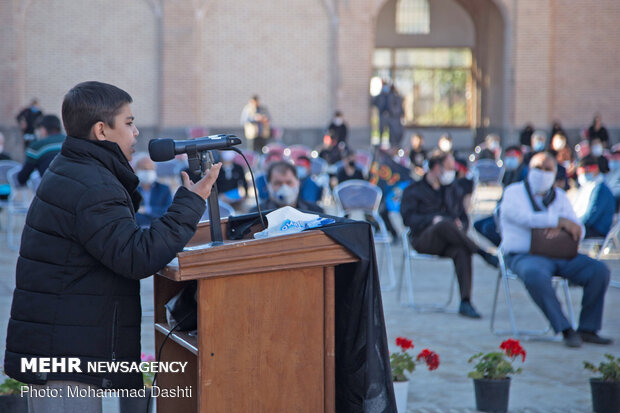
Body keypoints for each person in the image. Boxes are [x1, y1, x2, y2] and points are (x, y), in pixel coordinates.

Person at [3, 81, 222, 412]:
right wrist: (190, 203)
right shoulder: (91, 185)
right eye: (129, 122)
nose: (136, 133)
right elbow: (136, 255)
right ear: (102, 130)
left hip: (66, 345)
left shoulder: (81, 170)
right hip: (64, 354)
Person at [499, 152, 612, 348]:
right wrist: (557, 222)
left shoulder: (559, 196)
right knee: (534, 274)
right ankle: (565, 328)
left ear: (554, 173)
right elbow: (522, 218)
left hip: (560, 255)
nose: (542, 173)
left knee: (598, 271)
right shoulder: (513, 192)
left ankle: (588, 328)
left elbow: (577, 226)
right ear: (528, 170)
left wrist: (572, 227)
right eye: (538, 168)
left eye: (547, 169)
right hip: (525, 256)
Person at [400, 152, 498, 319]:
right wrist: (432, 219)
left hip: (450, 239)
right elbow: (408, 219)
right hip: (423, 239)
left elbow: (464, 218)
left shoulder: (452, 190)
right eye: (449, 168)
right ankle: (482, 253)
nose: (452, 172)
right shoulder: (413, 190)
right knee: (443, 223)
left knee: (461, 249)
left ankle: (465, 302)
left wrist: (461, 224)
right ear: (437, 168)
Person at [254, 161, 323, 213]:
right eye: (278, 183)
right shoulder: (256, 214)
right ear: (268, 186)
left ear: (298, 183)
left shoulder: (315, 212)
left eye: (289, 182)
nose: (284, 187)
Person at [573, 156, 615, 238]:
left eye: (587, 171)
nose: (584, 175)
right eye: (581, 172)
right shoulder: (585, 187)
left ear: (596, 169)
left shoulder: (600, 189)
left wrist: (573, 226)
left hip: (597, 232)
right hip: (586, 227)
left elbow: (590, 217)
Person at [16, 114, 65, 185]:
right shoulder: (70, 141)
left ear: (43, 129)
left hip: (50, 190)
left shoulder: (37, 146)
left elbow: (22, 178)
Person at [134, 154, 173, 227]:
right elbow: (130, 214)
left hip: (159, 229)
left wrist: (147, 210)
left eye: (151, 168)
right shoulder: (130, 189)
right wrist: (155, 214)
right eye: (144, 168)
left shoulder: (164, 189)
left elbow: (168, 211)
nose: (147, 172)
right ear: (136, 170)